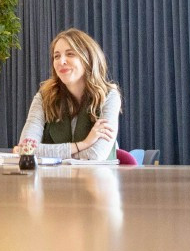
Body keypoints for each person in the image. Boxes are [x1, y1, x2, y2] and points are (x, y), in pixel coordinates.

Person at [14, 29, 121, 161]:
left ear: (88, 58)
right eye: (56, 56)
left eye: (70, 54)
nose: (61, 61)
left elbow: (95, 155)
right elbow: (26, 149)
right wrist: (82, 145)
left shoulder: (109, 96)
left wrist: (49, 154)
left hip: (95, 179)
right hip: (52, 180)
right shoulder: (43, 97)